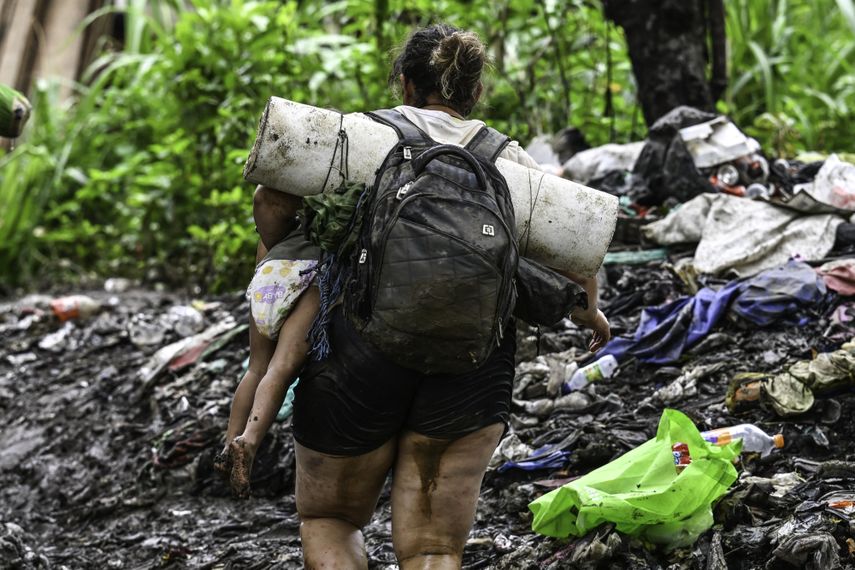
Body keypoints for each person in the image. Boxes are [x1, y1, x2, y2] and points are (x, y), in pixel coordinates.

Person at [249, 24, 610, 569]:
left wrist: (291, 257)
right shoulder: (511, 162)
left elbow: (271, 199)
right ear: (474, 93)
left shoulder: (360, 137)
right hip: (472, 364)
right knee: (435, 547)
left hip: (357, 352)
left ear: (405, 84)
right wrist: (593, 313)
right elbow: (579, 257)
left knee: (331, 520)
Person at [216, 193, 320, 498]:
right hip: (308, 277)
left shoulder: (276, 231)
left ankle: (227, 445)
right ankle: (248, 440)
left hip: (268, 276)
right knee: (280, 368)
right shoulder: (329, 228)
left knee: (256, 367)